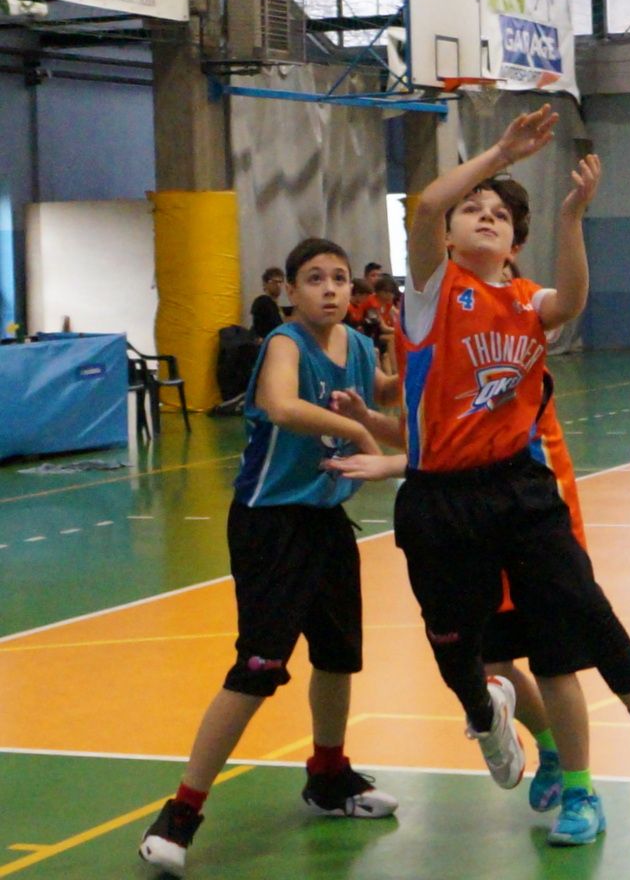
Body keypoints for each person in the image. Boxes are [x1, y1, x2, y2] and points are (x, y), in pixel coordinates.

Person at [329, 106, 630, 847]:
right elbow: (428, 206)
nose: (484, 216)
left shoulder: (525, 301)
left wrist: (572, 216)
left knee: (583, 613)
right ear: (448, 234)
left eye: (499, 214)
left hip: (519, 489)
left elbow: (571, 302)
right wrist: (502, 153)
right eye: (472, 208)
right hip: (440, 501)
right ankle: (486, 714)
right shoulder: (432, 294)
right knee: (457, 645)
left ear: (514, 241)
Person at [138, 237, 402, 878]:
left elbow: (387, 392)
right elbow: (282, 406)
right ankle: (181, 812)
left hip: (326, 523)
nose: (330, 288)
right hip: (270, 525)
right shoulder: (285, 344)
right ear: (290, 290)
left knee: (337, 656)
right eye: (315, 278)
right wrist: (357, 430)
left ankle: (329, 776)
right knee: (258, 668)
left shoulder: (357, 343)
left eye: (340, 278)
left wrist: (414, 349)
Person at [250, 266, 286, 340]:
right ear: (265, 284)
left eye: (280, 282)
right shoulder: (262, 301)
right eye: (274, 282)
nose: (278, 285)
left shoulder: (278, 307)